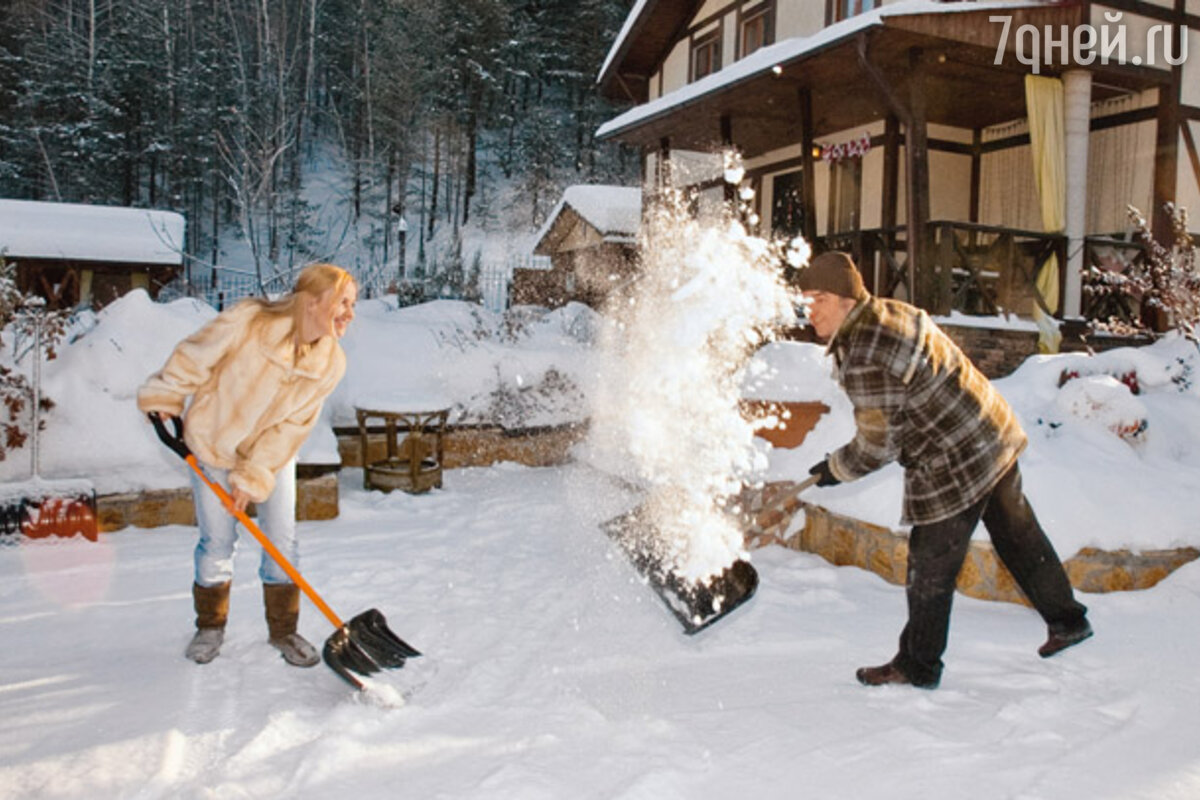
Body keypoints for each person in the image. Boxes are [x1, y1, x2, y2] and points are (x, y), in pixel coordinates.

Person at [797, 251, 1092, 689]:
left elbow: (879, 443)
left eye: (819, 297)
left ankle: (918, 666)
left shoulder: (864, 352)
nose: (811, 309)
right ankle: (1068, 621)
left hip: (955, 458)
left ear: (845, 299)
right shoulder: (888, 312)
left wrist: (836, 469)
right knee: (1018, 535)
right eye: (806, 298)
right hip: (991, 430)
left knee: (930, 568)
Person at [138, 263, 357, 667]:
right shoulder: (250, 321)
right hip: (213, 443)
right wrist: (165, 396)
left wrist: (254, 475)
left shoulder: (330, 363)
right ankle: (209, 626)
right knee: (217, 541)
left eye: (353, 304)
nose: (350, 312)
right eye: (343, 301)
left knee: (282, 542)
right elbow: (195, 357)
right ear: (313, 300)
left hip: (272, 456)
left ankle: (284, 631)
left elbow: (293, 426)